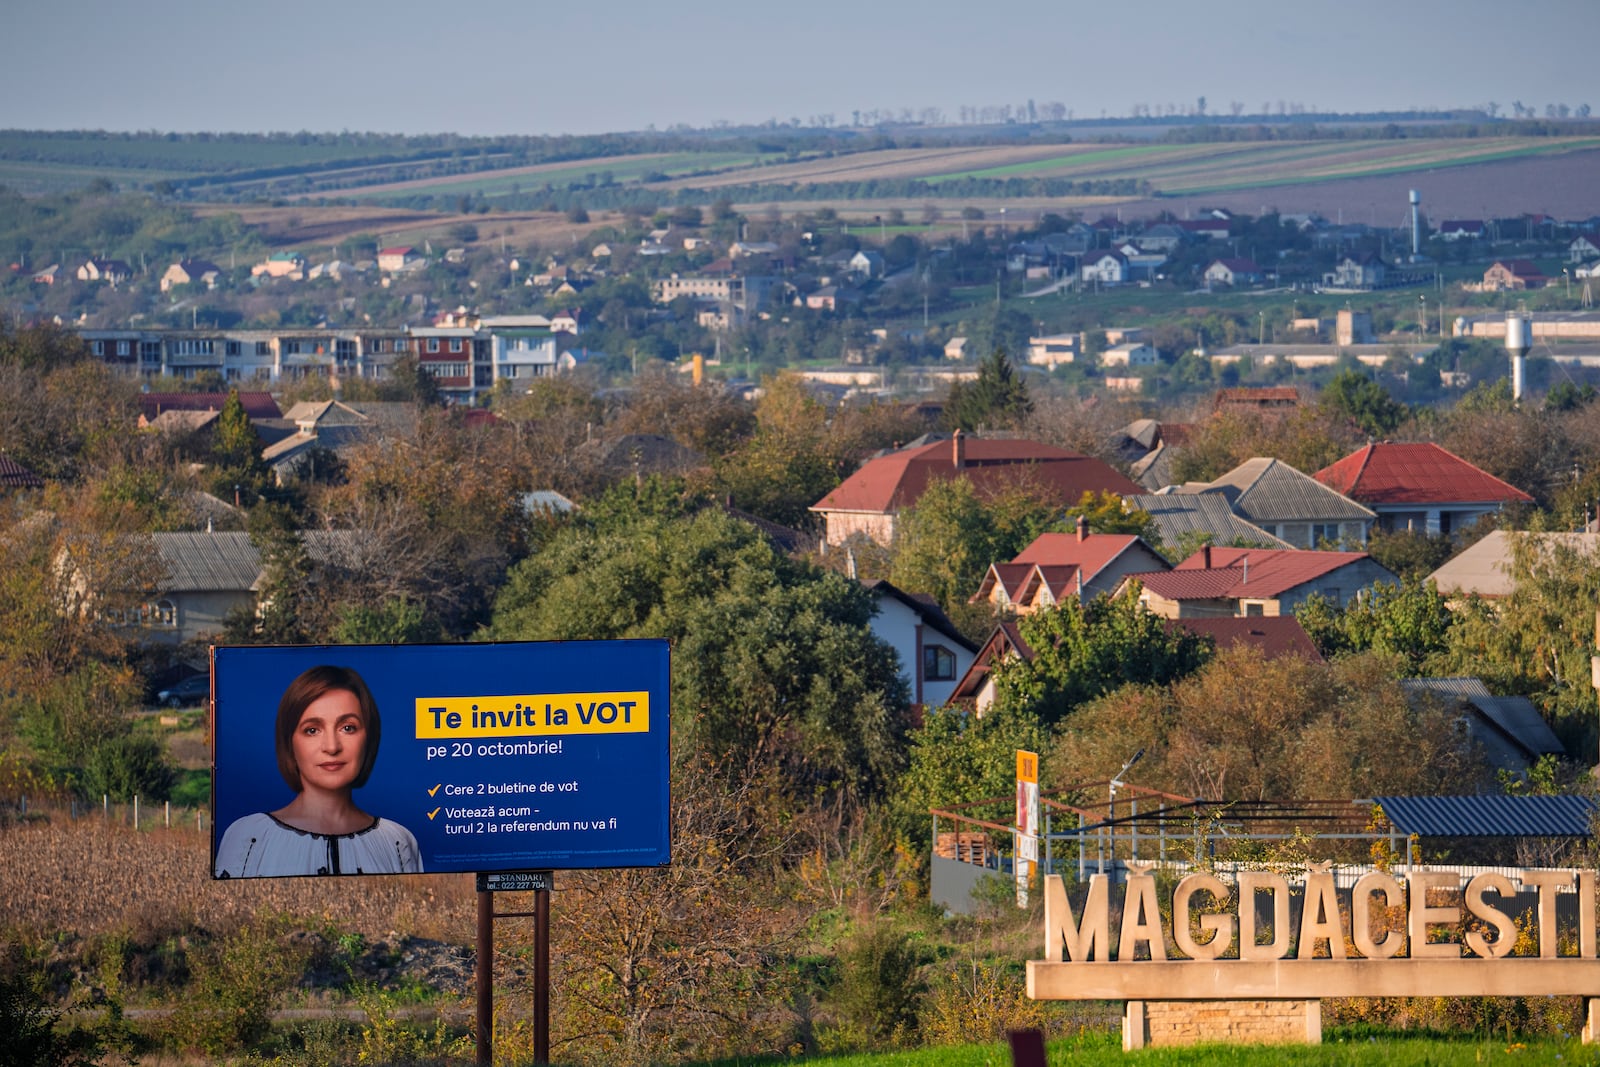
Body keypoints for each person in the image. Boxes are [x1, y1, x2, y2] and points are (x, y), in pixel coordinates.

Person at [215, 664, 422, 877]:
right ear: (289, 742)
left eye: (348, 728)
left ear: (369, 738)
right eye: (312, 730)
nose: (332, 747)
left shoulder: (397, 841)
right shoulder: (249, 837)